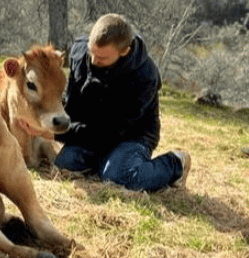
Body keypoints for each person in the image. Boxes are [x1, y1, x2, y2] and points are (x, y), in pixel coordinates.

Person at [54, 13, 191, 192]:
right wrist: (51, 124)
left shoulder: (145, 76)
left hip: (131, 135)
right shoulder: (80, 52)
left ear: (124, 51)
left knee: (117, 177)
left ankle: (175, 164)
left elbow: (110, 132)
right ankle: (105, 161)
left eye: (102, 58)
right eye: (92, 53)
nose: (94, 61)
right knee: (65, 164)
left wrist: (55, 134)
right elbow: (70, 104)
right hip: (90, 128)